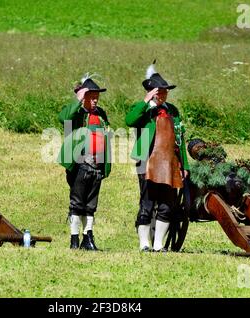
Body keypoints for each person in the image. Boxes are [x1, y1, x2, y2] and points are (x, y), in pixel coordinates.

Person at [125, 61, 190, 252]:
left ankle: (158, 244)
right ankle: (144, 243)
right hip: (147, 162)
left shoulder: (173, 111)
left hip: (169, 162)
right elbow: (129, 120)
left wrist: (184, 165)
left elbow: (180, 138)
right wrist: (146, 101)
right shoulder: (143, 110)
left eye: (165, 91)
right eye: (159, 92)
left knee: (167, 205)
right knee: (146, 204)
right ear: (152, 92)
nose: (163, 95)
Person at [58, 74, 111, 251]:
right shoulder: (76, 112)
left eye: (97, 97)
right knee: (77, 203)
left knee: (91, 205)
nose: (95, 100)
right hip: (80, 163)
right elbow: (64, 118)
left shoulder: (101, 114)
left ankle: (88, 237)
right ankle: (74, 239)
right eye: (91, 97)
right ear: (84, 97)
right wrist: (78, 100)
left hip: (97, 165)